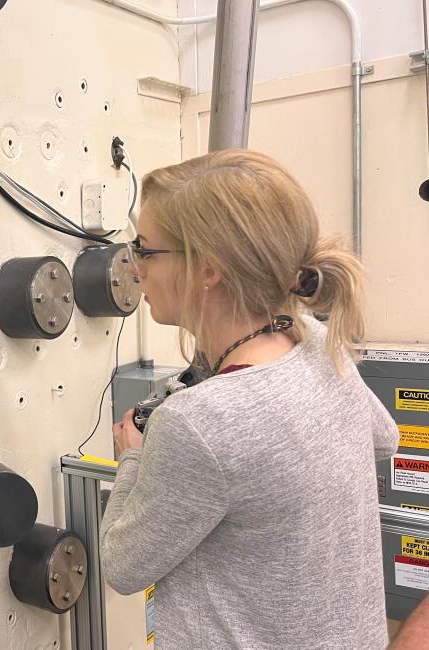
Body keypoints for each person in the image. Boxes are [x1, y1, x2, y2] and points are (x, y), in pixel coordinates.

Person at [99, 150, 399, 648]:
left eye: (145, 250)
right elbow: (384, 439)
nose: (135, 269)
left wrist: (132, 458)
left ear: (207, 270)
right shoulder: (314, 339)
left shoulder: (198, 423)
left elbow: (123, 566)